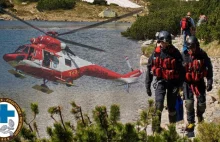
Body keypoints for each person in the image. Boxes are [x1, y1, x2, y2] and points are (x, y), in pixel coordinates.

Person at [145, 31, 184, 131]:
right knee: (158, 105)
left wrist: (181, 85)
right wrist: (147, 85)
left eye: (165, 42)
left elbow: (182, 71)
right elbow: (149, 69)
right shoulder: (155, 54)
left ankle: (172, 130)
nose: (163, 44)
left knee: (171, 107)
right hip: (160, 82)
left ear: (169, 42)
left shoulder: (176, 54)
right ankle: (155, 130)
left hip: (173, 83)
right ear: (159, 42)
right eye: (162, 42)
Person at [182, 36, 213, 136]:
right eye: (189, 48)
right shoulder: (183, 55)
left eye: (193, 48)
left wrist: (210, 81)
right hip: (187, 83)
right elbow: (178, 71)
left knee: (202, 104)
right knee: (189, 104)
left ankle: (200, 116)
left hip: (199, 82)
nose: (191, 50)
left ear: (197, 46)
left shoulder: (202, 54)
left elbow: (209, 68)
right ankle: (190, 126)